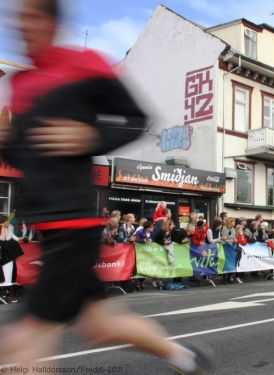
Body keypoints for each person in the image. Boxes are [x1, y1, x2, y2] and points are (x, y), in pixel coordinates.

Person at [0, 1, 213, 373]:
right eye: (16, 18)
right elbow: (27, 157)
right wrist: (6, 142)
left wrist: (92, 135)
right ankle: (186, 357)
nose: (21, 26)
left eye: (31, 17)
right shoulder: (19, 85)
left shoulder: (84, 65)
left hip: (74, 226)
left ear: (51, 22)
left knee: (21, 343)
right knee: (99, 327)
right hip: (48, 230)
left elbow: (137, 120)